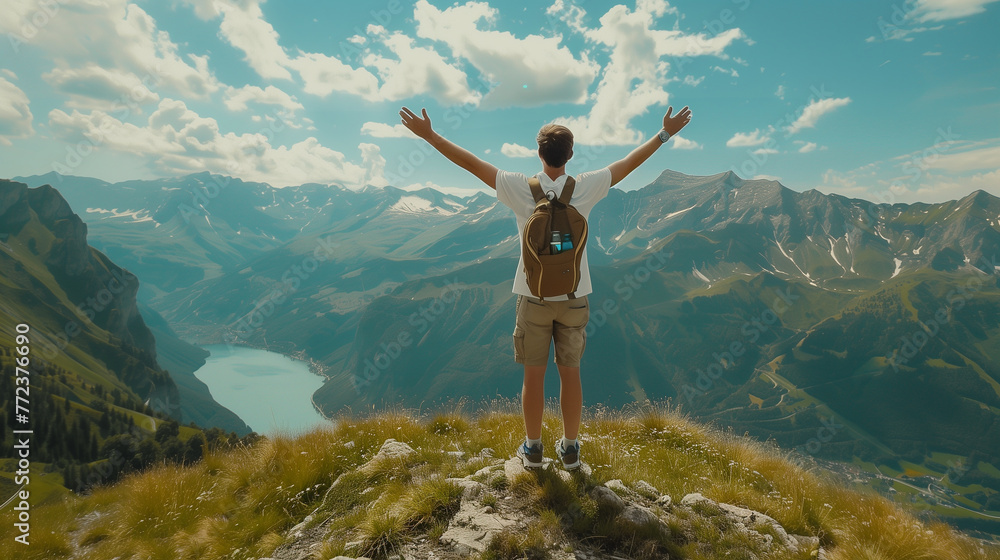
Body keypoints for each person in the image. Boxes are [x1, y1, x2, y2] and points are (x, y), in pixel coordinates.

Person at [399, 105, 692, 469]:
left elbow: (471, 164)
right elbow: (628, 163)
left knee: (533, 376)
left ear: (539, 152)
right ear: (570, 154)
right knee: (571, 374)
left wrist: (429, 136)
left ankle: (533, 449)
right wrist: (664, 134)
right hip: (574, 297)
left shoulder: (518, 187)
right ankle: (570, 450)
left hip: (532, 296)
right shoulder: (586, 187)